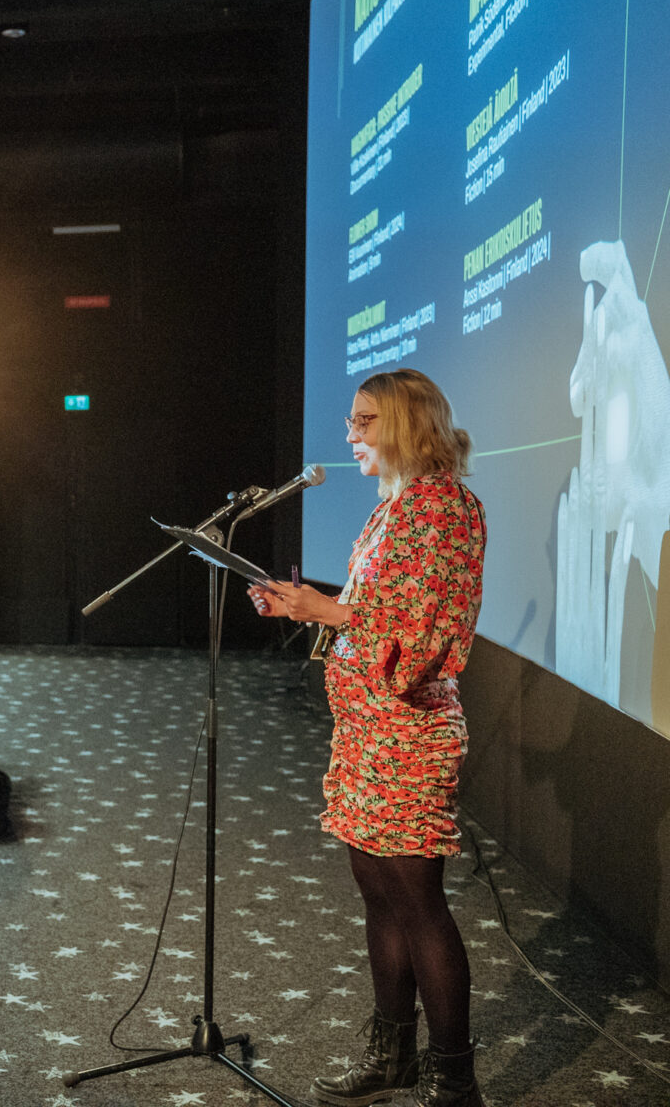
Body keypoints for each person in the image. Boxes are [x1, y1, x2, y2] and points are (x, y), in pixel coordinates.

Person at [249, 369, 488, 1107]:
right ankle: (394, 1057)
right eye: (350, 422)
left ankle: (454, 1082)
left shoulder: (444, 508)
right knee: (379, 899)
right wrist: (307, 608)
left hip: (410, 733)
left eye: (363, 422)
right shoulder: (396, 507)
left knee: (418, 903)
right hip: (366, 732)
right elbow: (371, 609)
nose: (349, 436)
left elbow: (419, 635)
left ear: (409, 423)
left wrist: (328, 611)